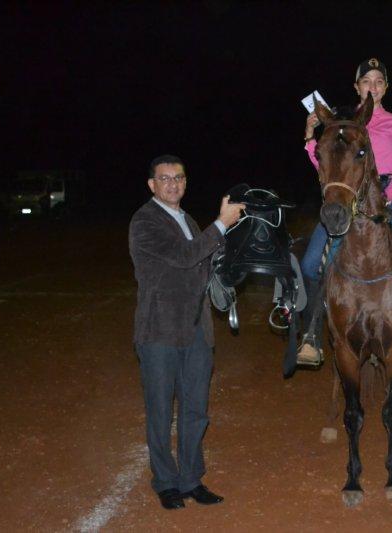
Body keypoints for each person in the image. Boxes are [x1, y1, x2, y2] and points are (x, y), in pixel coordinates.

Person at [298, 58, 392, 364]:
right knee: (311, 262)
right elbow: (329, 168)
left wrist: (385, 199)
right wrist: (309, 136)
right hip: (347, 197)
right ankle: (312, 334)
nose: (373, 86)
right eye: (366, 81)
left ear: (386, 88)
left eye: (379, 82)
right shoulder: (343, 126)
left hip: (388, 196)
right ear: (357, 87)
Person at [129, 154, 244, 510]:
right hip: (159, 330)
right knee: (161, 411)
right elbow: (184, 256)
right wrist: (221, 225)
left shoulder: (189, 220)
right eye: (164, 179)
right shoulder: (145, 221)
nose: (173, 184)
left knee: (196, 409)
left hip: (196, 329)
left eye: (178, 178)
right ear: (152, 185)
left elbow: (205, 261)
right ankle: (166, 482)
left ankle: (191, 478)